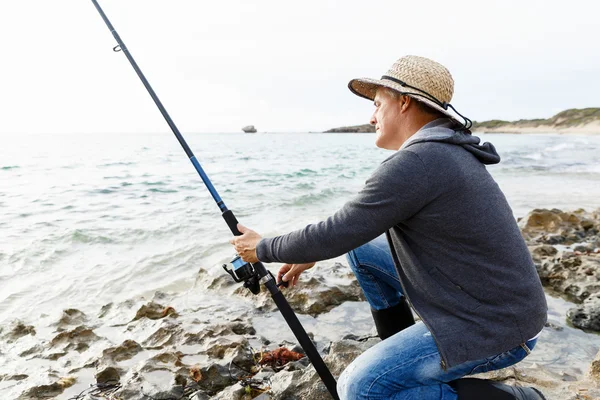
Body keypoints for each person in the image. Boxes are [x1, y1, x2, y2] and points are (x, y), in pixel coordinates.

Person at [230, 55, 548, 400]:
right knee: (361, 249)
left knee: (360, 388)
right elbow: (352, 229)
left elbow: (336, 230)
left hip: (495, 326)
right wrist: (312, 253)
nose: (371, 117)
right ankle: (400, 360)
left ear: (405, 102)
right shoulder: (442, 152)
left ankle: (513, 398)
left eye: (378, 104)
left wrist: (262, 248)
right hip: (492, 304)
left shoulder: (421, 161)